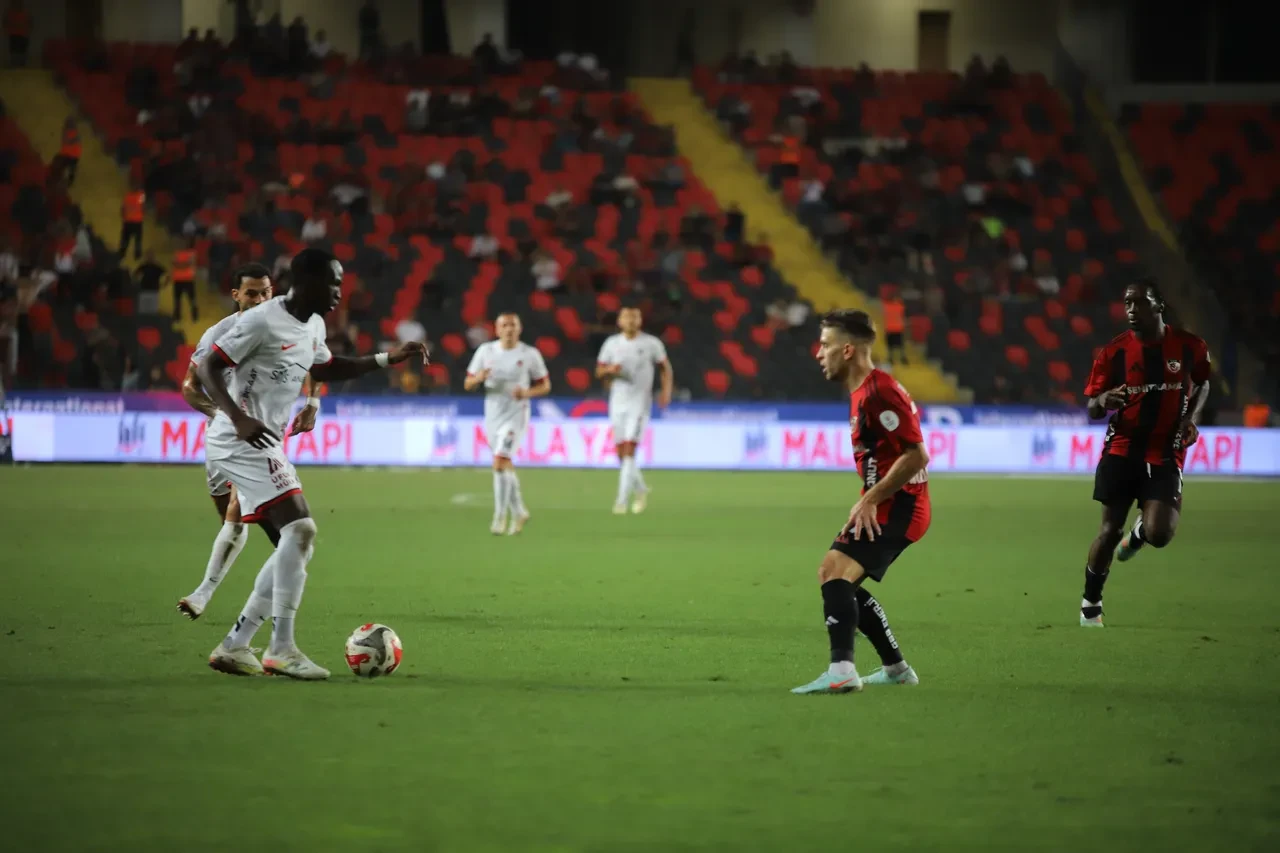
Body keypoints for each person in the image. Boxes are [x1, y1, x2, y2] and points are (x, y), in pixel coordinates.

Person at [198, 248, 426, 679]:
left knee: (296, 543)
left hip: (265, 441)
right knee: (300, 531)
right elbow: (210, 366)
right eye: (333, 282)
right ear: (304, 283)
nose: (340, 292)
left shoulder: (314, 324)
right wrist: (238, 416)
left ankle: (236, 643)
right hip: (238, 438)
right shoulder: (260, 320)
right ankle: (280, 648)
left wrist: (386, 359)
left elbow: (329, 366)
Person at [176, 264, 324, 621]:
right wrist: (226, 417)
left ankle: (206, 594)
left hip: (260, 439)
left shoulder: (283, 324)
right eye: (252, 293)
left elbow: (316, 361)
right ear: (236, 295)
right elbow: (190, 386)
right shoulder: (220, 332)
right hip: (227, 436)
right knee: (234, 521)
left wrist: (312, 402)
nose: (260, 299)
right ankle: (263, 601)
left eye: (265, 292)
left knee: (268, 521)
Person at [791, 310, 928, 695]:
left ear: (847, 350)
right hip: (888, 502)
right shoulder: (864, 391)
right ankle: (896, 669)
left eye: (826, 345)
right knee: (838, 578)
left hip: (900, 505)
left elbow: (917, 455)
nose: (819, 353)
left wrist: (872, 497)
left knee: (833, 572)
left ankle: (842, 671)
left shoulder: (878, 392)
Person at [1078, 280, 1210, 628]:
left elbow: (1203, 382)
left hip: (1166, 452)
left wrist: (1190, 419)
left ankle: (1140, 535)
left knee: (1161, 535)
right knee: (1108, 530)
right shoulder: (1113, 353)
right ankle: (1091, 602)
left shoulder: (1189, 346)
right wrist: (1102, 401)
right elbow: (1092, 407)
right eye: (1127, 304)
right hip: (1122, 448)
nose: (1132, 310)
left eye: (1140, 303)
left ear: (1159, 305)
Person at [464, 313, 550, 535]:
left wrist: (527, 392)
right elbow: (468, 383)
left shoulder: (529, 354)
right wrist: (478, 378)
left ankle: (499, 517)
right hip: (493, 415)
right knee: (505, 465)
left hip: (516, 414)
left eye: (513, 325)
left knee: (499, 462)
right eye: (504, 325)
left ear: (519, 329)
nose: (509, 329)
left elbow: (545, 385)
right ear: (497, 329)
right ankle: (520, 510)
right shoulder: (485, 351)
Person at [595, 306, 673, 514]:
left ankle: (620, 501)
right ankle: (641, 489)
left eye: (635, 317)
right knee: (622, 454)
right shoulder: (611, 344)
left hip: (640, 403)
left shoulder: (651, 344)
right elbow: (599, 371)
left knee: (630, 449)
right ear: (619, 321)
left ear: (640, 320)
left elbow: (665, 367)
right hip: (617, 403)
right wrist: (610, 371)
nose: (630, 320)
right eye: (626, 317)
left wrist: (666, 391)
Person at [119, 184, 146, 260]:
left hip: (128, 221)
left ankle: (122, 254)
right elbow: (143, 207)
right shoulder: (141, 195)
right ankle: (137, 255)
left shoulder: (127, 196)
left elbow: (122, 208)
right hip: (137, 221)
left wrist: (124, 217)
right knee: (138, 240)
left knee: (125, 239)